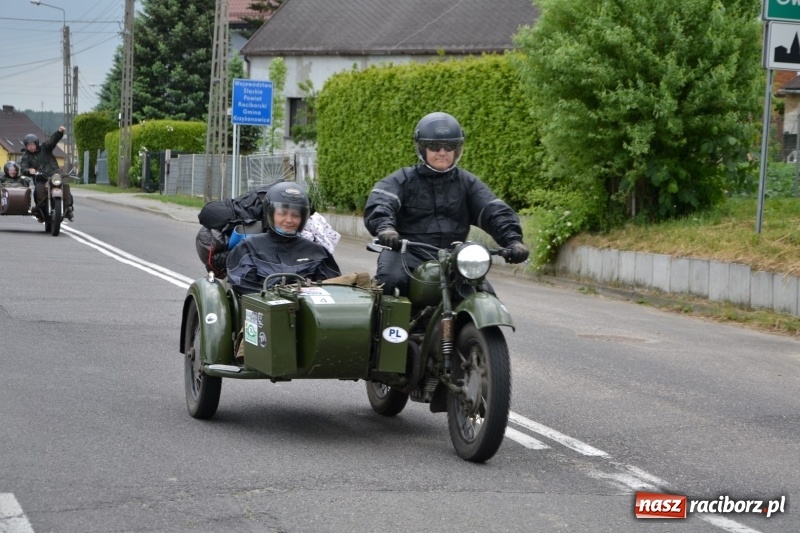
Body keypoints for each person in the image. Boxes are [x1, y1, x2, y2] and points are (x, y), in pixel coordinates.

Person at [364, 111, 529, 296]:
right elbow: (382, 202)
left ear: (457, 149)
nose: (442, 152)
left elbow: (493, 209)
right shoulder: (402, 179)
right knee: (389, 281)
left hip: (454, 257)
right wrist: (386, 229)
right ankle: (388, 327)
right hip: (406, 253)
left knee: (486, 295)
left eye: (449, 146)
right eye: (434, 146)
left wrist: (513, 240)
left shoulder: (467, 183)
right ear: (423, 148)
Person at [226, 181, 342, 295]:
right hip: (263, 310)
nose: (289, 220)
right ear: (270, 214)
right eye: (282, 213)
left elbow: (333, 289)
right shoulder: (248, 248)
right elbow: (244, 286)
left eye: (295, 215)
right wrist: (282, 297)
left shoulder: (318, 252)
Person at [20, 127, 74, 222]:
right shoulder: (26, 155)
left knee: (64, 187)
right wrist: (29, 170)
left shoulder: (45, 148)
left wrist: (59, 132)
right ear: (26, 146)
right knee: (38, 190)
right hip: (41, 178)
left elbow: (52, 141)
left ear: (36, 144)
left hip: (55, 175)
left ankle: (68, 207)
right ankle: (40, 210)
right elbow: (23, 167)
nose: (31, 147)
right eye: (28, 145)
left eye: (32, 144)